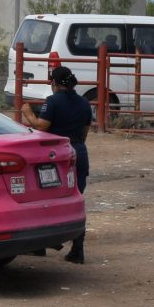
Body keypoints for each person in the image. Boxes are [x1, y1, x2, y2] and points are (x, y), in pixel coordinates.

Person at [21, 66, 91, 263]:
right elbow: (85, 132)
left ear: (54, 82)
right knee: (76, 198)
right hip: (77, 151)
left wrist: (28, 114)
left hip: (56, 155)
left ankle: (39, 245)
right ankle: (78, 250)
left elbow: (42, 126)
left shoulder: (52, 101)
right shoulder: (84, 103)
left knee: (45, 199)